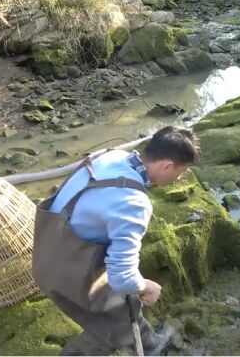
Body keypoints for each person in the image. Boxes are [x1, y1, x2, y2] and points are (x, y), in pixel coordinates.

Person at [32, 126, 199, 355]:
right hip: (65, 272)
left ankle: (150, 344)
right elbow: (122, 278)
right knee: (114, 326)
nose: (180, 178)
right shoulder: (133, 202)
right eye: (180, 171)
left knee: (123, 307)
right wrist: (148, 286)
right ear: (166, 166)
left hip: (46, 250)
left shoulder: (111, 156)